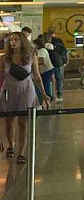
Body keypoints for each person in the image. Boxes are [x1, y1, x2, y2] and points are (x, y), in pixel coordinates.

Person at [0, 32, 49, 164]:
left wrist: (44, 95)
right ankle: (11, 145)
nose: (13, 42)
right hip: (9, 91)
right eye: (11, 40)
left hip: (26, 91)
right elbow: (1, 76)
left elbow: (37, 77)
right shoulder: (5, 58)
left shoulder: (31, 56)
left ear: (22, 41)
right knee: (9, 121)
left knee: (23, 122)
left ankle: (21, 153)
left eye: (16, 40)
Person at [46, 28, 67, 102]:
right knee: (59, 80)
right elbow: (64, 52)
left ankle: (51, 96)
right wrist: (65, 61)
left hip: (49, 63)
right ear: (55, 33)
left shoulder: (46, 42)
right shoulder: (59, 41)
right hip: (59, 63)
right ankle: (59, 95)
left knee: (50, 80)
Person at [32, 35, 55, 101]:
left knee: (45, 83)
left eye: (33, 44)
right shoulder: (44, 50)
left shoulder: (41, 51)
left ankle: (47, 97)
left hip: (46, 70)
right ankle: (48, 97)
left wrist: (40, 72)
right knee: (47, 83)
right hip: (49, 69)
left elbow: (41, 61)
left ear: (37, 45)